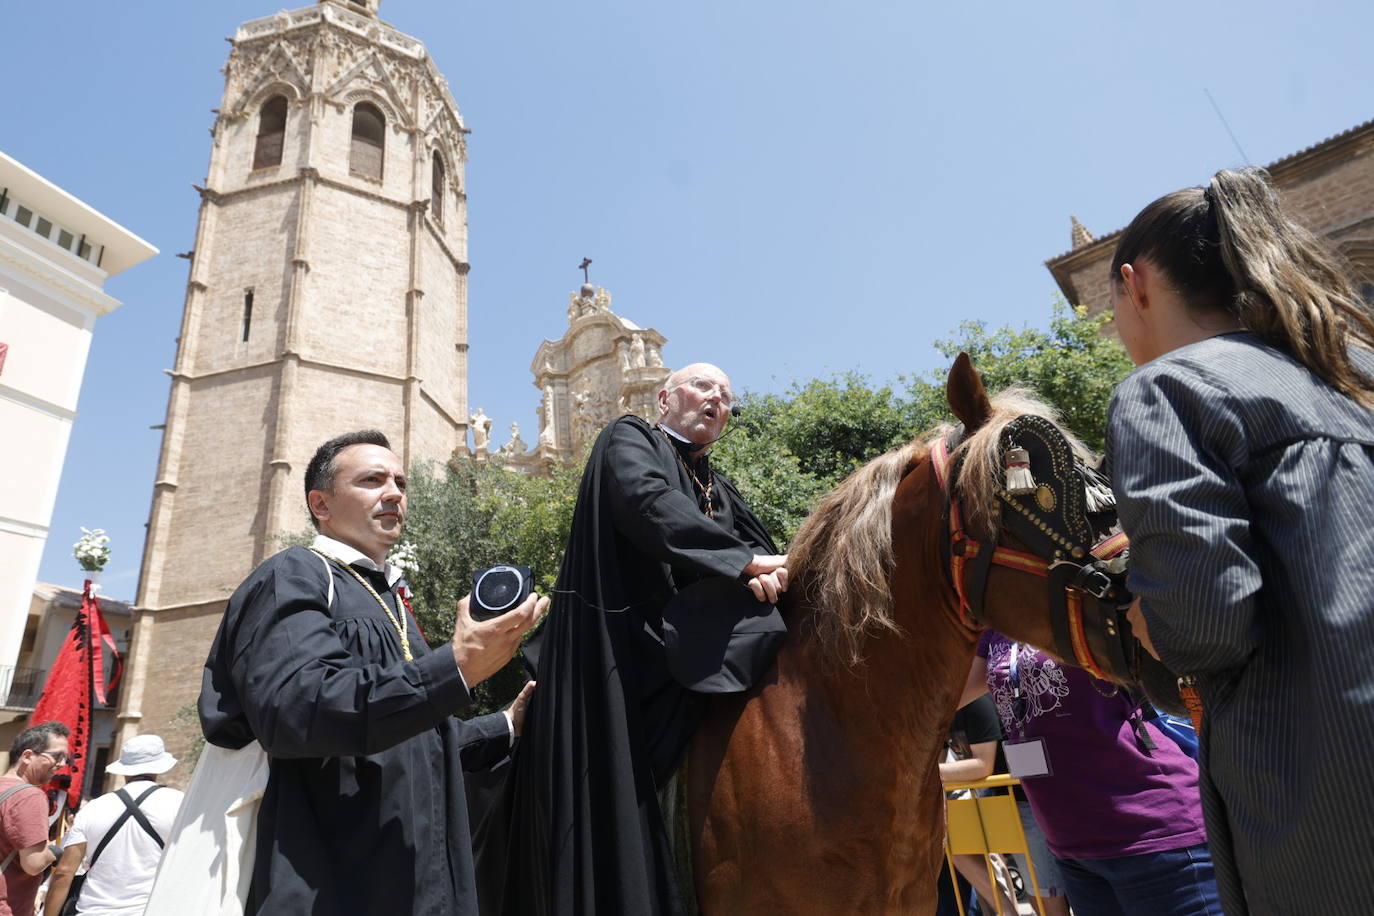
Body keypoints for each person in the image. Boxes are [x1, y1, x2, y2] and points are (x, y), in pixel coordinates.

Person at [1108, 166, 1374, 914]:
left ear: (1137, 287)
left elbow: (1202, 626)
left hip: (1325, 798)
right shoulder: (1354, 374)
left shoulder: (1167, 391)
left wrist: (1144, 602)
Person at [191, 429, 545, 914]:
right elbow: (299, 708)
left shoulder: (390, 601)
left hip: (416, 882)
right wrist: (456, 667)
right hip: (333, 881)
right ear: (321, 504)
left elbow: (412, 742)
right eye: (372, 480)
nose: (395, 492)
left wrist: (505, 723)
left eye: (400, 481)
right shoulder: (294, 574)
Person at [487, 363, 789, 915]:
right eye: (704, 387)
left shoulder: (715, 483)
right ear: (666, 397)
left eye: (725, 395)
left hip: (698, 640)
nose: (716, 399)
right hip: (628, 643)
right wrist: (746, 563)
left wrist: (770, 572)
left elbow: (757, 545)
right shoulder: (630, 437)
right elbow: (648, 503)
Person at [962, 632, 1221, 915]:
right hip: (1073, 848)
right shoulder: (995, 627)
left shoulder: (1087, 594)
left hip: (1152, 834)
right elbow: (943, 695)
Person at [43, 735, 184, 916]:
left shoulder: (94, 807)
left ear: (125, 770)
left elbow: (64, 872)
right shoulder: (179, 803)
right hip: (149, 909)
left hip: (92, 911)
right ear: (159, 767)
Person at [0, 723, 69, 916]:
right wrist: (56, 851)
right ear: (28, 756)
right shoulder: (30, 796)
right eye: (57, 756)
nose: (62, 764)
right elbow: (34, 863)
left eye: (66, 758)